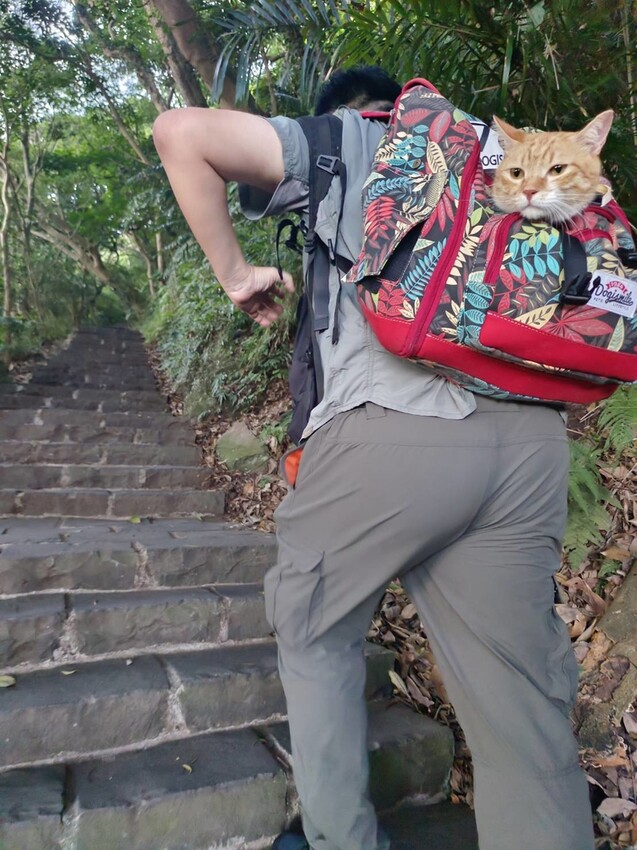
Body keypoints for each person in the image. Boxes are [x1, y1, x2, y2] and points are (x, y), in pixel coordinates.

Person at [152, 66, 595, 850]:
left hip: (391, 435)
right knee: (520, 712)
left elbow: (181, 134)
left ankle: (339, 839)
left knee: (314, 627)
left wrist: (237, 276)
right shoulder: (503, 157)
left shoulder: (357, 138)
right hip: (530, 449)